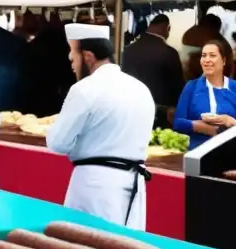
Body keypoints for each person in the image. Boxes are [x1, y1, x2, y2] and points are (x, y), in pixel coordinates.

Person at [46, 24, 155, 230]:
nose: (70, 60)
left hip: (95, 185)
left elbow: (57, 143)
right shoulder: (141, 89)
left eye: (73, 54)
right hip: (134, 185)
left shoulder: (84, 89)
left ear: (88, 56)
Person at [173, 39, 236, 151]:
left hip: (229, 152)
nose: (207, 60)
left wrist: (230, 121)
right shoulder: (191, 87)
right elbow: (178, 123)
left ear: (224, 60)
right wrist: (205, 128)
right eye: (204, 55)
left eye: (212, 55)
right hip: (197, 152)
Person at [121, 13, 185, 128]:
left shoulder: (127, 51)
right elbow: (177, 86)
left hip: (132, 110)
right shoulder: (169, 53)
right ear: (167, 28)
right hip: (162, 115)